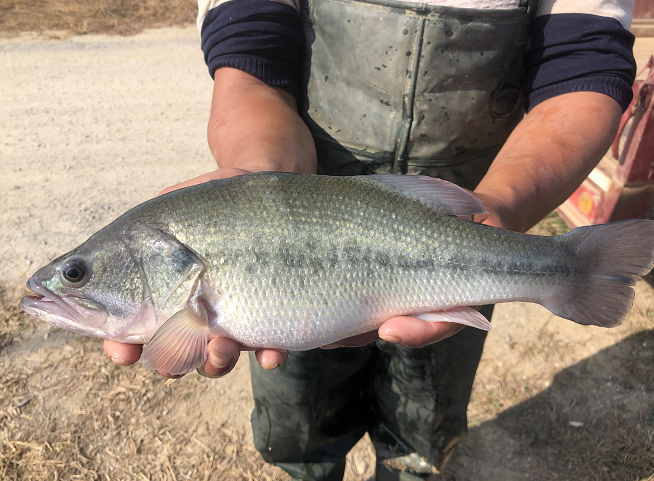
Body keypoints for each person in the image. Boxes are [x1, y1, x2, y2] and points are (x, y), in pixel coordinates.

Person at [104, 0, 637, 479]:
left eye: (79, 273)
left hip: (474, 203)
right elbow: (251, 61)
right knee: (301, 429)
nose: (72, 283)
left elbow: (583, 73)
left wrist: (498, 208)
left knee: (422, 431)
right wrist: (258, 171)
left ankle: (564, 271)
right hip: (306, 190)